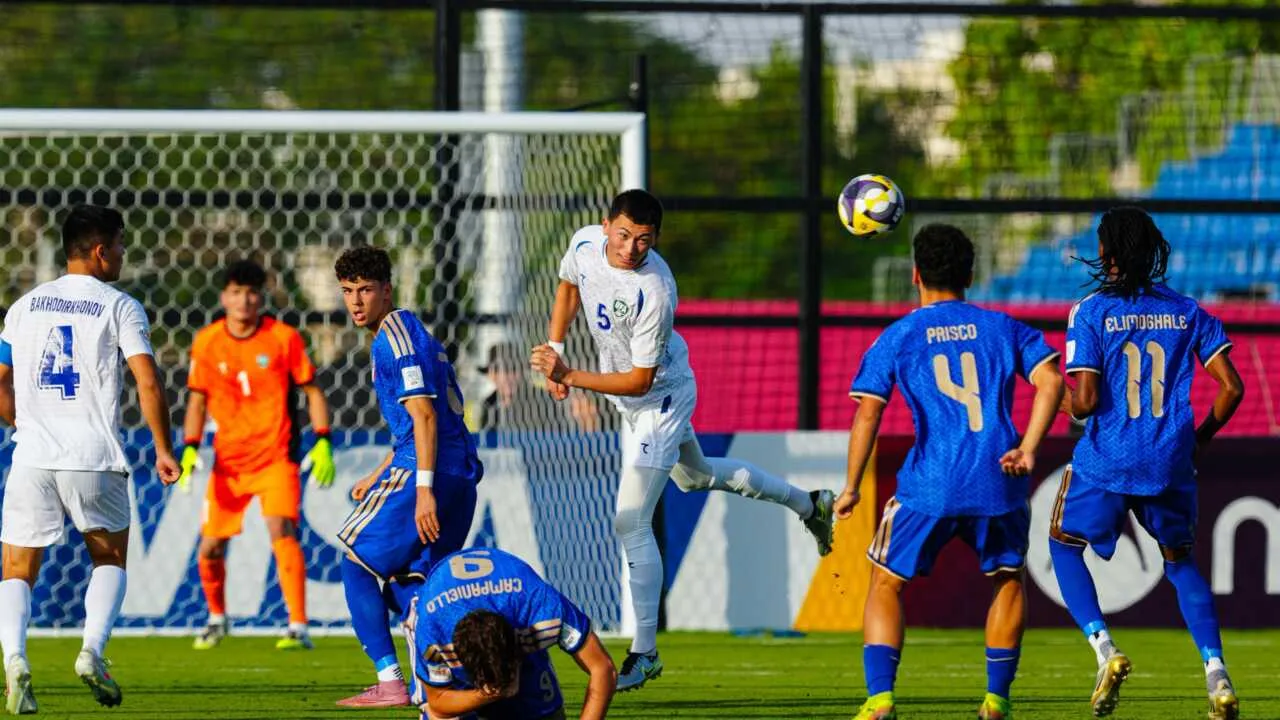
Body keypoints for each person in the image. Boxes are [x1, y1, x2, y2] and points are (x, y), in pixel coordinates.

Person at [529, 189, 835, 692]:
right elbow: (567, 286)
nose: (630, 248)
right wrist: (557, 347)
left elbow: (641, 381)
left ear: (656, 240)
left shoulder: (657, 289)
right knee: (696, 478)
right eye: (623, 235)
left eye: (643, 240)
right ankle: (809, 505)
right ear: (606, 226)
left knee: (630, 519)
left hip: (662, 400)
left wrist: (571, 373)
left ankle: (644, 653)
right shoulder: (585, 244)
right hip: (627, 398)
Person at [836, 224, 1064, 720]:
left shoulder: (899, 335)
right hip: (998, 479)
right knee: (1007, 581)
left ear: (915, 275)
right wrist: (1027, 447)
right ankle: (996, 700)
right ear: (971, 274)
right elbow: (1051, 381)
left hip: (930, 484)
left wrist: (851, 487)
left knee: (885, 583)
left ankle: (880, 700)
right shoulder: (1004, 327)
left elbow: (868, 414)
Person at [1050, 207, 1244, 720]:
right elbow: (1232, 387)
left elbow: (1087, 401)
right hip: (1169, 461)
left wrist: (1057, 397)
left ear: (1108, 253)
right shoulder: (1186, 310)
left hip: (1108, 459)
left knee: (1063, 546)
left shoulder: (1089, 312)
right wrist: (1201, 439)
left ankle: (1105, 649)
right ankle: (1217, 673)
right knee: (1181, 564)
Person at [0, 204, 181, 713]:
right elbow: (147, 380)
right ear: (101, 251)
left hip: (32, 457)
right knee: (109, 558)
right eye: (121, 245)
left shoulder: (24, 306)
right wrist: (163, 449)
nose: (124, 254)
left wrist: (22, 424)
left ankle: (15, 659)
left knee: (16, 569)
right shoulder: (118, 305)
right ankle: (92, 652)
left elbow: (0, 381)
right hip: (93, 456)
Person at [333, 245, 483, 708]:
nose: (356, 301)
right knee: (411, 580)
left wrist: (421, 492)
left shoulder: (395, 338)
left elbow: (424, 417)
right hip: (458, 473)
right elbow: (420, 420)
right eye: (347, 291)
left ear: (386, 290)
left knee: (355, 562)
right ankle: (445, 676)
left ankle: (391, 680)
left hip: (432, 473)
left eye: (365, 290)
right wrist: (379, 473)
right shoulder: (408, 330)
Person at [179, 259, 336, 651]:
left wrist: (322, 440)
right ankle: (217, 618)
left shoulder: (283, 338)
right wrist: (189, 448)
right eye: (236, 292)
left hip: (275, 456)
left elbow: (312, 391)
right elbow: (196, 400)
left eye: (251, 293)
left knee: (281, 530)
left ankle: (298, 626)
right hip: (228, 462)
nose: (244, 300)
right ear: (223, 297)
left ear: (261, 297)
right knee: (210, 547)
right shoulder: (207, 341)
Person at [407, 548, 616, 720]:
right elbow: (439, 702)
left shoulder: (541, 607)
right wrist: (488, 694)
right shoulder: (432, 631)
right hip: (444, 613)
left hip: (513, 604)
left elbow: (603, 668)